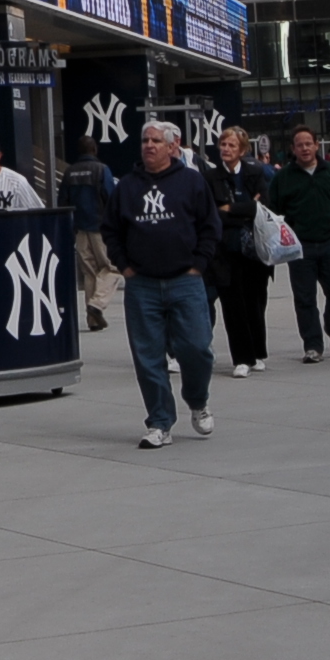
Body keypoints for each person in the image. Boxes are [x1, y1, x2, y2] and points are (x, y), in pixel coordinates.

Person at [102, 119, 220, 448]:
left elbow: (210, 226)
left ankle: (198, 401)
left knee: (197, 348)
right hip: (142, 285)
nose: (149, 146)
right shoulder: (127, 186)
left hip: (185, 280)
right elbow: (110, 229)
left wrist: (199, 265)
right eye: (145, 140)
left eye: (156, 141)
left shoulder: (192, 182)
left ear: (172, 147)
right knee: (148, 356)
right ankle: (159, 422)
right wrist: (124, 266)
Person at [266, 126, 330, 362]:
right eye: (300, 144)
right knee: (305, 298)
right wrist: (285, 234)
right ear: (293, 149)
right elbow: (273, 212)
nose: (305, 148)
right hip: (301, 248)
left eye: (309, 143)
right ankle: (313, 345)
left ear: (317, 145)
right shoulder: (283, 178)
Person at [202, 124, 273, 373]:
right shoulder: (210, 177)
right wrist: (244, 209)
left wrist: (231, 208)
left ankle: (257, 352)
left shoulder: (255, 172)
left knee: (255, 301)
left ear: (242, 150)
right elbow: (211, 213)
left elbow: (261, 207)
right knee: (233, 305)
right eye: (223, 144)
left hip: (254, 248)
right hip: (225, 250)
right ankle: (242, 358)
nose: (226, 149)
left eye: (232, 145)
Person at [63, 132, 119, 333]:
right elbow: (110, 198)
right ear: (94, 149)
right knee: (112, 268)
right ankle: (97, 304)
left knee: (89, 273)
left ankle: (93, 320)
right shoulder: (101, 169)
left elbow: (63, 202)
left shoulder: (70, 172)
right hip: (100, 227)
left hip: (79, 229)